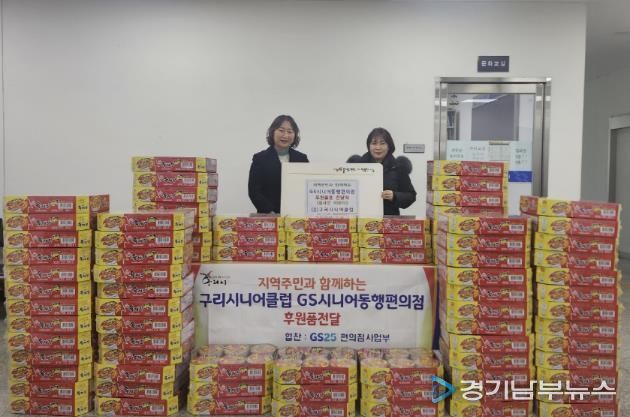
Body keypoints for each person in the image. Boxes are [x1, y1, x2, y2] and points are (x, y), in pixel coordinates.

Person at [347, 127, 416, 215]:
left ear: (389, 146)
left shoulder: (398, 167)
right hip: (361, 217)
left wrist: (395, 196)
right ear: (369, 146)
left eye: (382, 143)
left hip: (389, 219)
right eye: (374, 143)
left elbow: (411, 196)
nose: (378, 147)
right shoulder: (357, 167)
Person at [248, 115, 309, 213]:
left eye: (290, 132)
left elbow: (306, 189)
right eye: (281, 130)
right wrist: (270, 212)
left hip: (295, 215)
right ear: (273, 132)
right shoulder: (260, 158)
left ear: (295, 135)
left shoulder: (302, 158)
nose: (285, 135)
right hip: (268, 216)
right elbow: (254, 191)